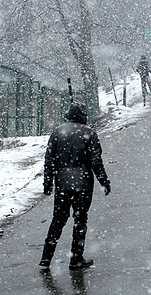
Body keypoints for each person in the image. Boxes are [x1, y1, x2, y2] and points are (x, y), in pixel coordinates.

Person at [39, 103, 111, 270]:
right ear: (83, 116)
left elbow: (49, 161)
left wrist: (48, 183)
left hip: (63, 184)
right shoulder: (89, 133)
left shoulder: (57, 132)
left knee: (58, 220)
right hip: (83, 184)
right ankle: (76, 258)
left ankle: (46, 257)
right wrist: (104, 181)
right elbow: (96, 161)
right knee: (80, 220)